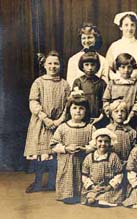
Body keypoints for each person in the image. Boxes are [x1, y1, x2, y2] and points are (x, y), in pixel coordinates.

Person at [24, 51, 70, 193]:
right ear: (44, 65)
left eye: (56, 63)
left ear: (60, 65)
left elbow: (69, 105)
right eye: (49, 63)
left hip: (58, 124)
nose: (53, 66)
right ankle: (37, 182)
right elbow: (33, 102)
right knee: (40, 155)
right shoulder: (38, 82)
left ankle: (52, 182)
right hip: (41, 123)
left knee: (54, 156)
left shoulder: (64, 84)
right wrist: (45, 118)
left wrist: (60, 121)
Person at [50, 94, 96, 204]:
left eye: (81, 108)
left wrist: (85, 149)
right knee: (67, 176)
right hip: (66, 160)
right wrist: (65, 148)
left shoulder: (90, 128)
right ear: (69, 110)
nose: (78, 111)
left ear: (86, 111)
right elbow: (53, 145)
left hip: (83, 160)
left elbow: (95, 145)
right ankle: (66, 194)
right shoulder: (63, 127)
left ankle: (82, 195)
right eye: (74, 108)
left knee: (83, 176)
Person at [81, 128, 124, 207]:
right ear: (95, 142)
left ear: (110, 143)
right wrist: (92, 186)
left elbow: (119, 175)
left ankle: (101, 201)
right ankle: (97, 200)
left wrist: (109, 186)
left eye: (106, 141)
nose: (103, 144)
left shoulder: (114, 157)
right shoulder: (89, 157)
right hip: (94, 188)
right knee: (90, 199)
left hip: (109, 188)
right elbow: (84, 176)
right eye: (100, 141)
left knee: (113, 196)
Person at [102, 53, 137, 126]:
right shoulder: (112, 83)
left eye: (129, 67)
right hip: (114, 119)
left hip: (132, 119)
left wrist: (131, 115)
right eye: (123, 67)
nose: (126, 70)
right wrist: (110, 114)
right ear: (118, 68)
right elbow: (106, 100)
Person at [66, 23, 110, 87]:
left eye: (90, 37)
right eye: (83, 38)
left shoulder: (103, 61)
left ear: (96, 39)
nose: (86, 41)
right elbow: (70, 83)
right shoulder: (73, 60)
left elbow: (105, 85)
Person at [72, 51, 107, 128]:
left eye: (92, 65)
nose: (90, 68)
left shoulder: (101, 83)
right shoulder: (78, 82)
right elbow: (75, 102)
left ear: (97, 66)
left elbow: (105, 102)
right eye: (86, 65)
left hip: (98, 119)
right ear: (82, 66)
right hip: (82, 119)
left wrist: (100, 116)